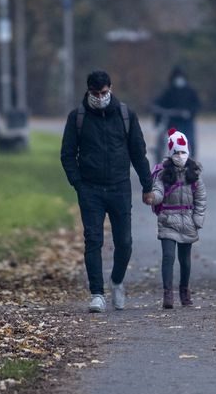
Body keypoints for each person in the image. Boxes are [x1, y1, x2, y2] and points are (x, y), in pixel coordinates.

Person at [60, 70, 155, 313]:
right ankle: (97, 293)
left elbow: (138, 153)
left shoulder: (125, 115)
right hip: (90, 189)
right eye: (95, 93)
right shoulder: (77, 118)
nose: (100, 97)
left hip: (120, 187)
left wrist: (147, 185)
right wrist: (77, 183)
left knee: (124, 241)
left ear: (110, 88)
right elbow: (68, 154)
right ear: (88, 91)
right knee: (93, 240)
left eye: (103, 93)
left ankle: (117, 281)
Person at [148, 128, 207, 309]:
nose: (180, 156)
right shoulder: (163, 173)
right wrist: (153, 197)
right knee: (168, 256)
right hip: (168, 219)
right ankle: (167, 293)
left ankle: (184, 290)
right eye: (176, 152)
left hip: (188, 221)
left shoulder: (194, 174)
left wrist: (198, 219)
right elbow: (158, 190)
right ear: (170, 153)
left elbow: (201, 198)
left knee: (185, 260)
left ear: (188, 152)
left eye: (183, 152)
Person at [152, 66, 201, 159]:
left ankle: (191, 158)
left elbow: (197, 105)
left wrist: (190, 112)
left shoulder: (190, 91)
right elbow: (159, 103)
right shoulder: (168, 91)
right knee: (166, 138)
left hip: (186, 121)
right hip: (172, 121)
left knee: (190, 140)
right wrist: (157, 110)